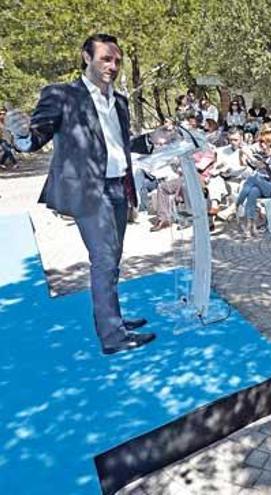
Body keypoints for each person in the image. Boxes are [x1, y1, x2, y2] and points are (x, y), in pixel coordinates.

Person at [5, 34, 156, 355]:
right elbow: (35, 139)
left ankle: (112, 319)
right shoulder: (61, 94)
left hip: (119, 188)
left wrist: (154, 139)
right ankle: (113, 337)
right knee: (103, 261)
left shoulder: (121, 101)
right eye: (105, 58)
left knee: (112, 261)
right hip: (90, 191)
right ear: (86, 58)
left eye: (117, 60)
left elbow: (120, 144)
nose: (113, 66)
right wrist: (20, 135)